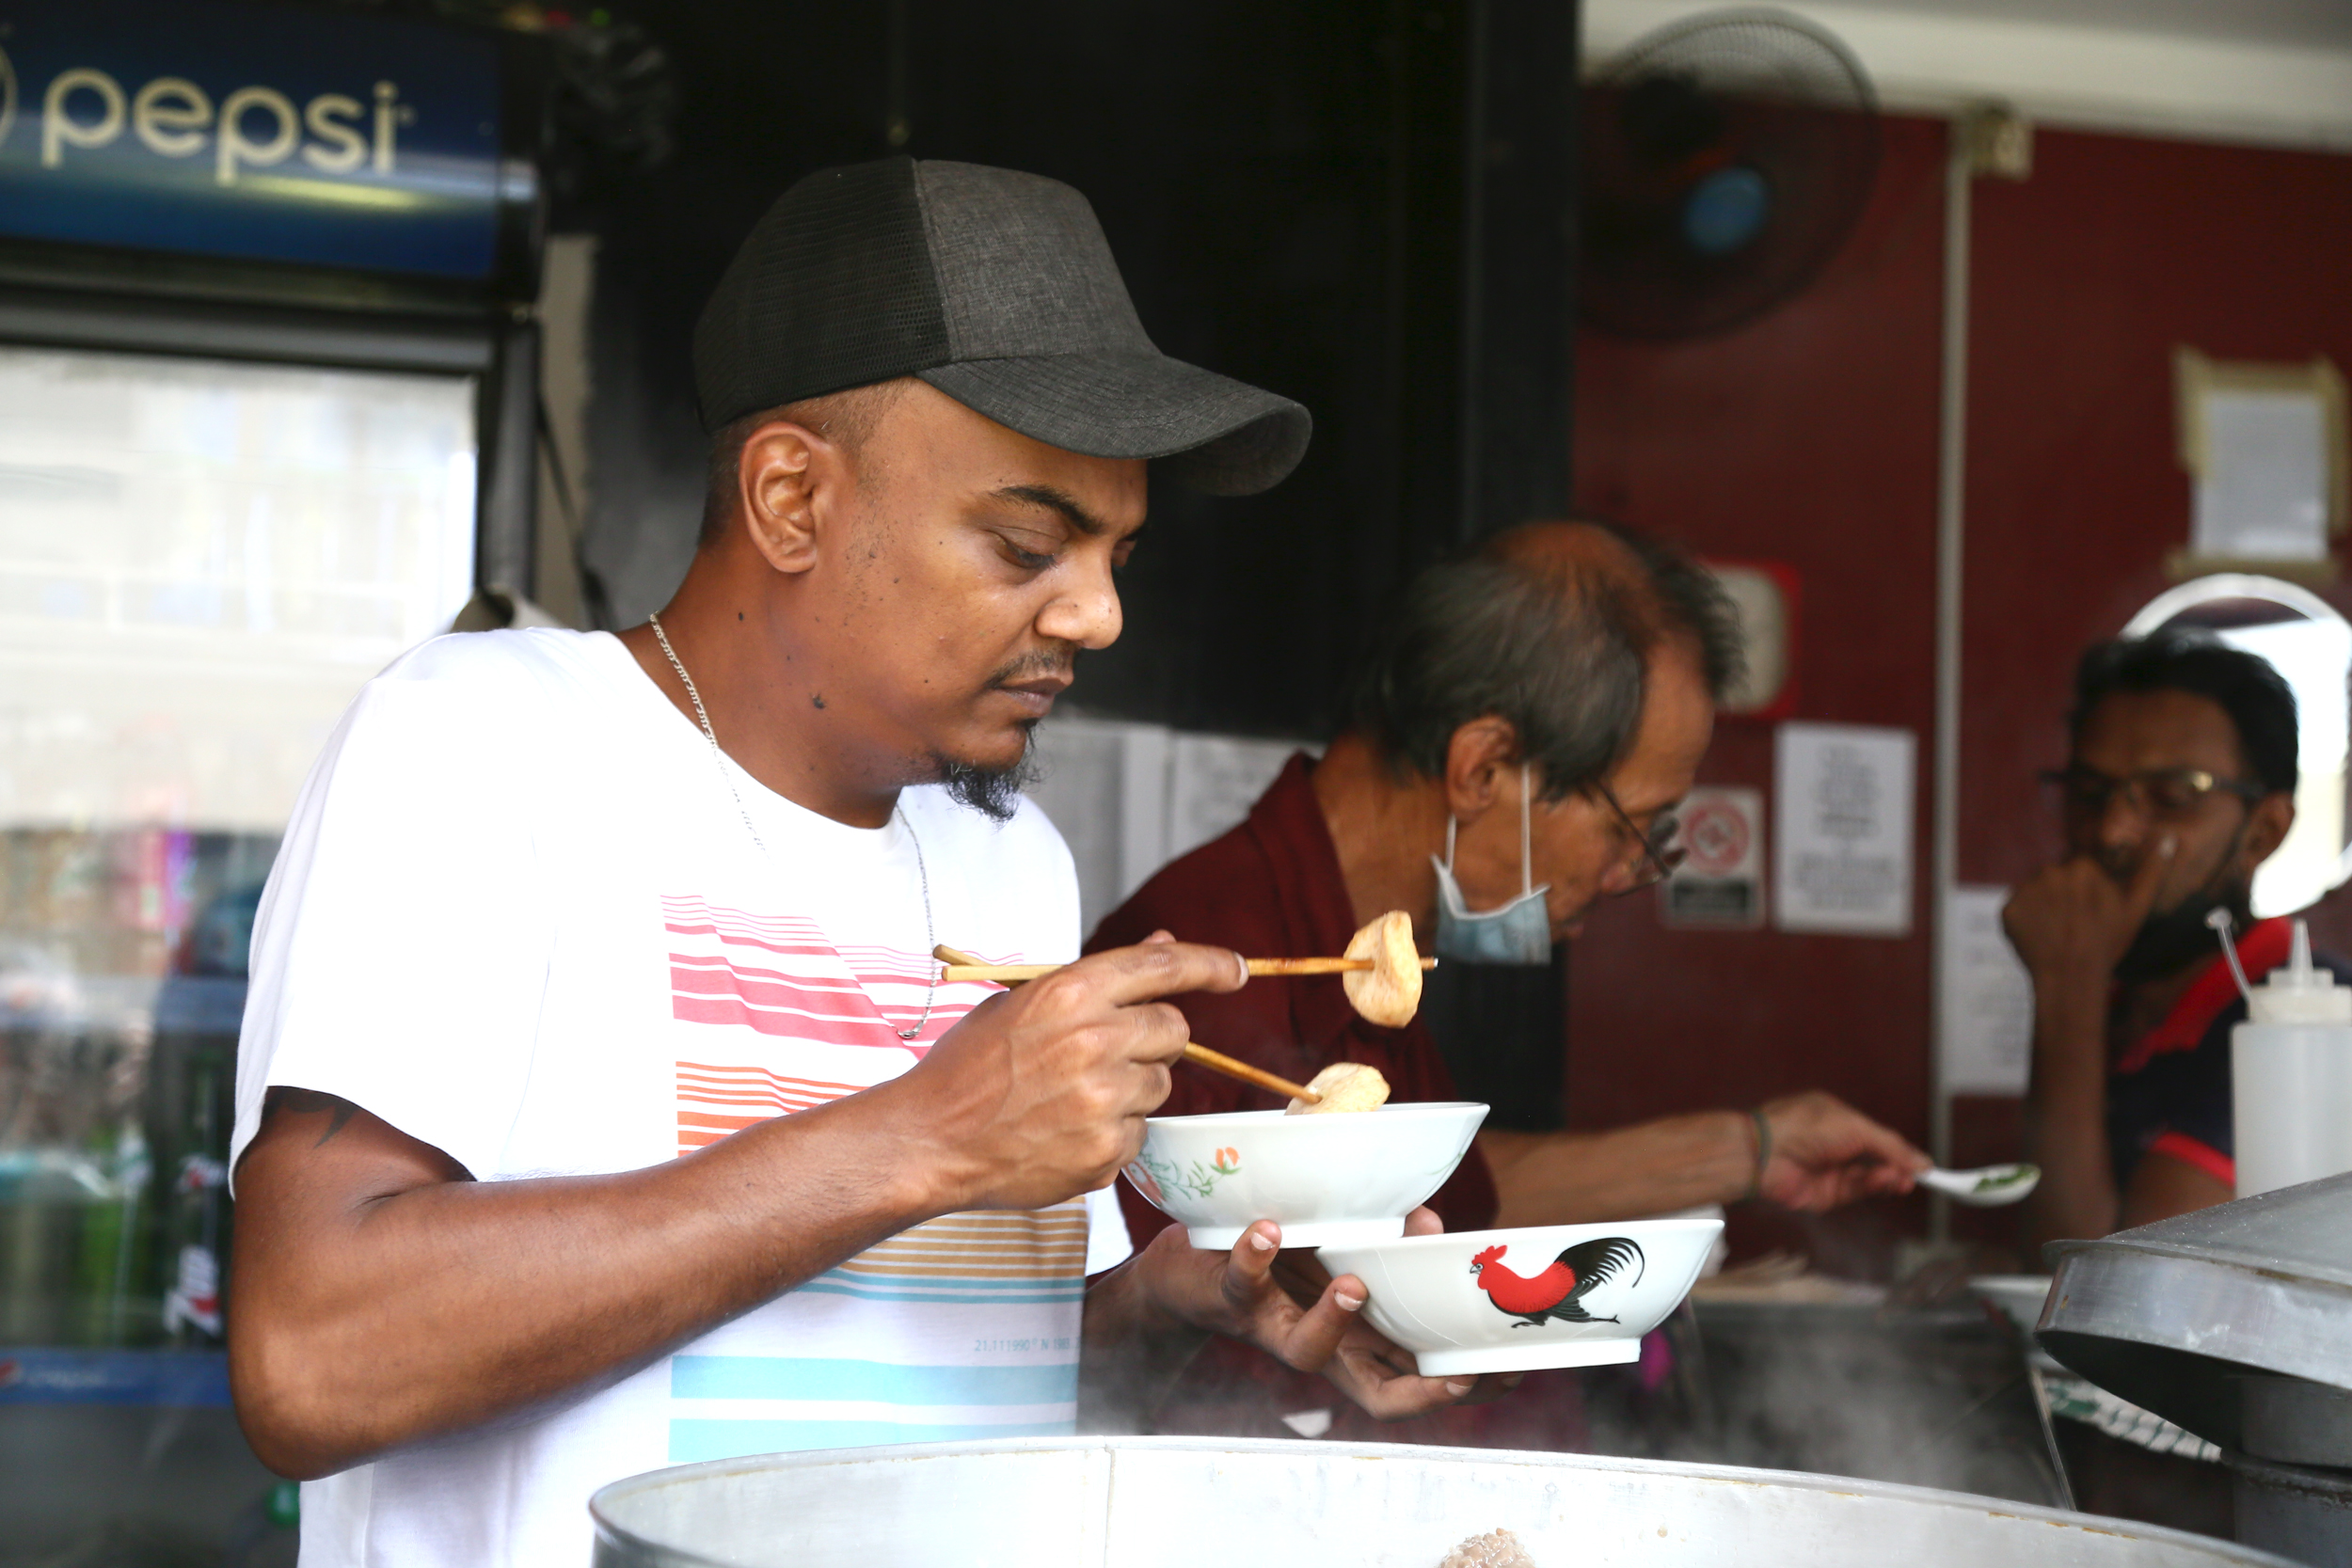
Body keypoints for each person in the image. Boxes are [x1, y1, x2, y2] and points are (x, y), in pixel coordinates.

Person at [225, 157, 1499, 1568]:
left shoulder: (1013, 859)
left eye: (1119, 551)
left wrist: (1168, 1306)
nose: (1098, 611)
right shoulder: (489, 742)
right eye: (1029, 543)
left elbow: (960, 1387)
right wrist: (923, 1134)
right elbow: (309, 1359)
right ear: (790, 498)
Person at [1088, 520, 1929, 1444]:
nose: (1628, 874)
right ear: (1481, 767)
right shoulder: (1213, 979)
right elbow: (1141, 1354)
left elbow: (1445, 1202)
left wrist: (1752, 1147)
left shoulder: (1370, 954)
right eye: (1631, 826)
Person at [2011, 632, 2333, 1255]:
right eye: (2091, 793)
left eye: (2172, 797)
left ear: (2263, 831)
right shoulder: (2118, 1003)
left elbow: (2125, 1298)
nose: (2113, 831)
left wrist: (2067, 984)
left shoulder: (2305, 1021)